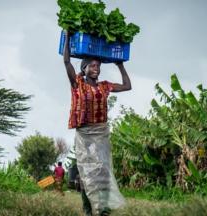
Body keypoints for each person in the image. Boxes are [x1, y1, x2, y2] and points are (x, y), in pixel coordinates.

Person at [63, 31, 131, 216]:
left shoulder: (104, 86)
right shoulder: (77, 84)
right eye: (92, 66)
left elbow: (127, 86)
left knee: (103, 171)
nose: (96, 68)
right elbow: (67, 62)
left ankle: (104, 210)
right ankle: (88, 209)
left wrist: (120, 65)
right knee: (86, 173)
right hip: (84, 133)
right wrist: (68, 37)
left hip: (101, 133)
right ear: (84, 69)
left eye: (98, 65)